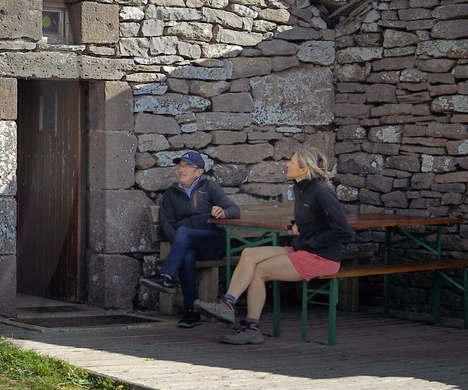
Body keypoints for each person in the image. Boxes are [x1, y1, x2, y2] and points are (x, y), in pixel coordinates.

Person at [196, 146, 352, 344]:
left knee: (259, 271)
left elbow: (342, 229)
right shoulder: (300, 188)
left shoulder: (322, 192)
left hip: (321, 257)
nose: (287, 164)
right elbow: (313, 216)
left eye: (292, 162)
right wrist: (298, 224)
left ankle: (252, 328)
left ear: (304, 169)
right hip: (302, 249)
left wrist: (312, 241)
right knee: (249, 253)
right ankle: (227, 303)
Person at [141, 151, 240, 328]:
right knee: (186, 255)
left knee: (184, 233)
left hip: (213, 242)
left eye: (187, 166)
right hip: (189, 245)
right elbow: (166, 223)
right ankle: (191, 311)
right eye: (180, 165)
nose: (181, 169)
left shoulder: (209, 187)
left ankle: (167, 276)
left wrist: (223, 212)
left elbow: (234, 210)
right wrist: (181, 243)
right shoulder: (171, 194)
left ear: (199, 172)